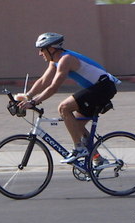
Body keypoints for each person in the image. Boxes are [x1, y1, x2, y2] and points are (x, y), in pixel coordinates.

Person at [18, 32, 121, 164]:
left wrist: (33, 102)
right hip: (98, 88)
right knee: (75, 125)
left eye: (42, 49)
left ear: (51, 49)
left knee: (64, 107)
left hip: (103, 87)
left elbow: (53, 87)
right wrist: (26, 97)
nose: (40, 53)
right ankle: (98, 159)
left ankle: (79, 149)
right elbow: (43, 81)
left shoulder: (66, 60)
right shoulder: (54, 61)